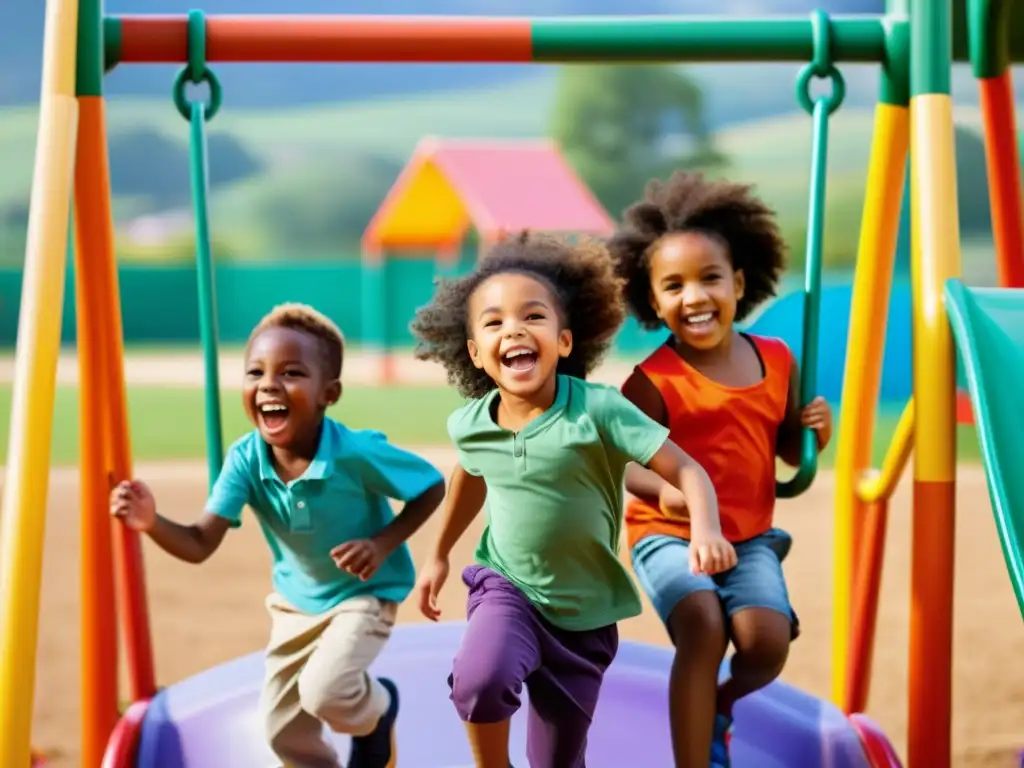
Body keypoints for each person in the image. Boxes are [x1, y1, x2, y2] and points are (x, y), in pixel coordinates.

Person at [409, 231, 732, 768]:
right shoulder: (470, 423)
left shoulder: (600, 411)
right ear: (475, 354)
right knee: (479, 679)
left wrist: (706, 529)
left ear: (563, 341)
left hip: (584, 618)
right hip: (507, 587)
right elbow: (471, 475)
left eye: (533, 316)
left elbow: (689, 471)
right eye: (494, 322)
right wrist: (439, 554)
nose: (513, 328)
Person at [109, 303, 445, 768]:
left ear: (329, 393)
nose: (269, 383)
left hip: (363, 594)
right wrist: (150, 522)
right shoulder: (245, 460)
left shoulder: (355, 453)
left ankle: (379, 710)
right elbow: (200, 543)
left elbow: (430, 485)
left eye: (291, 372)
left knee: (326, 690)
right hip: (295, 604)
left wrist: (382, 543)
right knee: (283, 733)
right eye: (256, 372)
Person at [608, 171, 834, 768]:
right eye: (674, 286)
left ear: (738, 283)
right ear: (653, 302)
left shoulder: (777, 359)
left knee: (765, 644)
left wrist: (813, 431)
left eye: (709, 279)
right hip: (667, 533)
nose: (694, 297)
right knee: (703, 625)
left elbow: (786, 450)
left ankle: (719, 705)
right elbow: (621, 465)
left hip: (749, 535)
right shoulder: (652, 382)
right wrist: (674, 497)